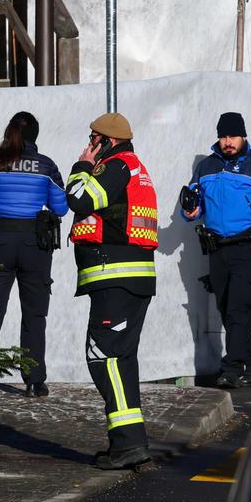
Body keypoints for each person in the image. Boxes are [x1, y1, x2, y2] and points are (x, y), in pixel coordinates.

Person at [66, 112, 157, 470]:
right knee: (120, 359)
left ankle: (129, 444)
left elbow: (79, 199)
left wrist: (81, 165)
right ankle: (128, 443)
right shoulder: (133, 166)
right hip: (131, 278)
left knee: (105, 358)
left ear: (108, 140)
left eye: (93, 139)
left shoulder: (115, 166)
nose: (90, 144)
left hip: (115, 277)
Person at [0, 111, 68, 397]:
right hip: (35, 244)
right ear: (35, 135)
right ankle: (35, 380)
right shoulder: (46, 166)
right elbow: (60, 208)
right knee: (34, 312)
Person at [181, 111, 251, 389]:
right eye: (223, 136)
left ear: (243, 136)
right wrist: (190, 210)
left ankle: (232, 368)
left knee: (239, 309)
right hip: (216, 249)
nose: (228, 141)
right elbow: (195, 206)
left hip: (247, 247)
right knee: (228, 311)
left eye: (233, 136)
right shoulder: (207, 167)